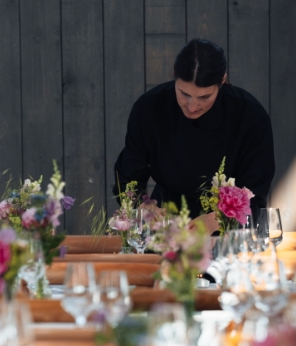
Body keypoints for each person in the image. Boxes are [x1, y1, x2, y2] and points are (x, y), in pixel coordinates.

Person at [113, 40, 275, 225]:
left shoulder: (250, 115)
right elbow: (128, 176)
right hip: (166, 224)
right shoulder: (149, 108)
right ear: (174, 74)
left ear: (222, 81)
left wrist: (217, 220)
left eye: (205, 97)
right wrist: (143, 207)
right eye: (184, 94)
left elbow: (255, 191)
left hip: (229, 230)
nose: (192, 106)